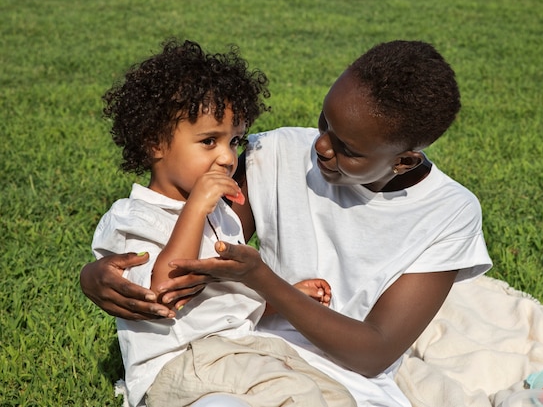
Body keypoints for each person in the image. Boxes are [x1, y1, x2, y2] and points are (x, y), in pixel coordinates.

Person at [81, 40, 493, 406]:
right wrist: (92, 275)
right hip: (240, 355)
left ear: (404, 160)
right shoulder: (275, 152)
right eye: (323, 122)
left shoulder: (448, 212)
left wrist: (271, 286)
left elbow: (373, 353)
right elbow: (193, 254)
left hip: (334, 371)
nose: (321, 146)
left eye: (347, 149)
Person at [90, 39, 353, 407]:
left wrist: (286, 296)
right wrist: (194, 208)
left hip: (242, 352)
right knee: (291, 398)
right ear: (154, 143)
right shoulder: (131, 218)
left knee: (335, 397)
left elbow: (229, 301)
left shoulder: (221, 215)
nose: (228, 157)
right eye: (209, 141)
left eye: (234, 141)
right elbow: (165, 293)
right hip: (181, 362)